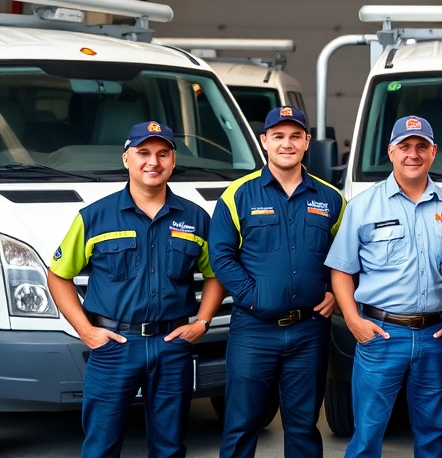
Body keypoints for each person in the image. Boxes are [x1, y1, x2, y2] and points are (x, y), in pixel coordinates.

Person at [48, 121, 225, 458]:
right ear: (126, 158)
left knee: (169, 447)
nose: (153, 162)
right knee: (100, 446)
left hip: (172, 348)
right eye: (143, 153)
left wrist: (202, 322)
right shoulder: (94, 217)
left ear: (173, 161)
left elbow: (215, 274)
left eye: (162, 154)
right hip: (114, 347)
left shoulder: (196, 218)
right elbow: (58, 275)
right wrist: (86, 331)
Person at [326, 116, 442, 458]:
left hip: (437, 336)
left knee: (433, 434)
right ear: (391, 151)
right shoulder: (363, 206)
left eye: (421, 146)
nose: (413, 154)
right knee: (368, 434)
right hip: (381, 336)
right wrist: (353, 321)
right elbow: (341, 270)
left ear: (433, 152)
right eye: (404, 146)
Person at [210, 106, 345, 458]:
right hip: (253, 329)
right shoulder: (237, 195)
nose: (287, 144)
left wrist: (333, 290)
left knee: (303, 424)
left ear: (307, 142)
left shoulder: (331, 198)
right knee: (242, 423)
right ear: (264, 141)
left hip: (309, 330)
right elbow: (221, 256)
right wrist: (253, 297)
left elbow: (345, 255)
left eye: (295, 136)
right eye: (279, 136)